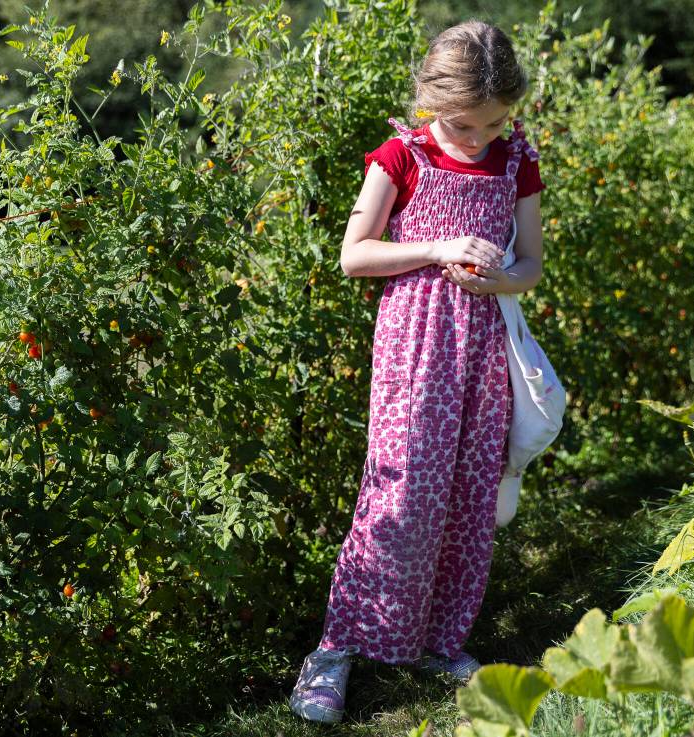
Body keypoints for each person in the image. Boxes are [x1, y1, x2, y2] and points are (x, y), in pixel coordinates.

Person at [289, 18, 545, 724]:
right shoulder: (402, 155)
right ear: (433, 100)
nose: (481, 136)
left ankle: (438, 641)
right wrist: (439, 249)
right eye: (467, 123)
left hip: (484, 345)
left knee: (468, 493)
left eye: (495, 121)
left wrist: (500, 281)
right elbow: (354, 254)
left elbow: (531, 264)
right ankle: (337, 648)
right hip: (415, 345)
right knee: (398, 489)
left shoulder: (516, 156)